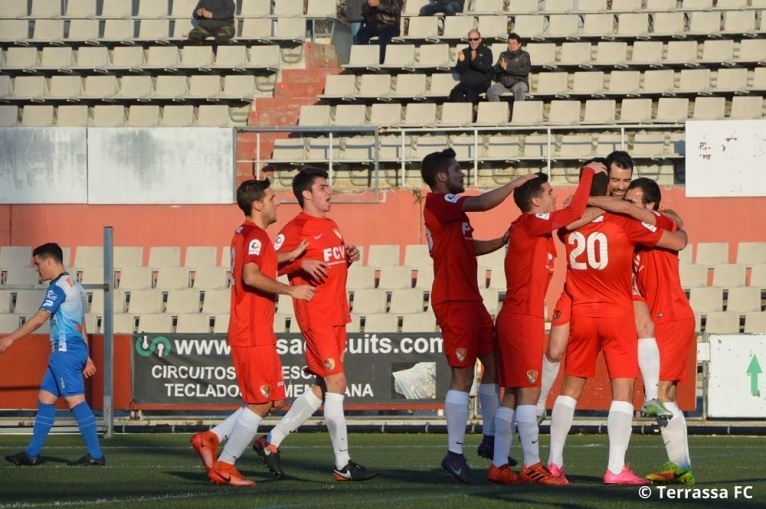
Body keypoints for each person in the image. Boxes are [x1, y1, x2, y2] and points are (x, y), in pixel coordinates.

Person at [546, 171, 688, 486]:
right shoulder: (624, 224)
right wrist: (679, 226)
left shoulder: (568, 230)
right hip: (616, 313)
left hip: (581, 313)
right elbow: (674, 238)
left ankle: (554, 465)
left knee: (569, 390)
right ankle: (615, 468)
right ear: (610, 196)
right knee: (622, 392)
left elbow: (567, 221)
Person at [252, 167, 378, 482]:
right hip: (317, 316)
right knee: (337, 383)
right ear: (306, 194)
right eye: (323, 187)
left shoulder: (331, 225)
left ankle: (271, 442)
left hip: (337, 314)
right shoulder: (296, 227)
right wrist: (299, 262)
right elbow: (270, 262)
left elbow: (331, 263)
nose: (329, 192)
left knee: (322, 388)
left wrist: (348, 255)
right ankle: (343, 465)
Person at [420, 148, 536, 484]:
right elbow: (483, 203)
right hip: (453, 299)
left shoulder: (451, 212)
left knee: (493, 365)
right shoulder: (439, 203)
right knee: (462, 376)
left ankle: (488, 439)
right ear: (441, 176)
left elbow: (466, 247)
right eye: (456, 170)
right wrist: (516, 183)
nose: (461, 174)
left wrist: (500, 241)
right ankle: (454, 455)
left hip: (470, 297)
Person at [190, 178, 315, 487]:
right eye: (272, 198)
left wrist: (292, 255)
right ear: (257, 204)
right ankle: (225, 465)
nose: (278, 203)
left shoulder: (248, 234)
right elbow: (251, 274)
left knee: (274, 400)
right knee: (260, 402)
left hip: (258, 330)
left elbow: (262, 261)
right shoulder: (256, 235)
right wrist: (291, 291)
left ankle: (211, 437)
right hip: (252, 330)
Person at [536, 151, 671, 423]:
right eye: (615, 180)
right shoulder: (589, 207)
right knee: (554, 349)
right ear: (605, 180)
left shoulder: (628, 208)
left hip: (619, 288)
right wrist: (606, 205)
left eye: (626, 180)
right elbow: (569, 221)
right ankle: (539, 403)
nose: (621, 186)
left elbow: (666, 218)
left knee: (645, 326)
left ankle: (651, 397)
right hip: (578, 291)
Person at [489, 164, 603, 486]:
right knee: (529, 391)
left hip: (516, 315)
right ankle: (531, 466)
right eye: (550, 193)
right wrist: (589, 175)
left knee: (512, 393)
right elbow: (575, 210)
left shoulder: (526, 227)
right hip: (522, 318)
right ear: (536, 202)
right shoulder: (529, 223)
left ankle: (499, 465)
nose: (555, 197)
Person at [2, 243, 105, 467]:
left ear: (49, 261)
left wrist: (11, 338)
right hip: (71, 350)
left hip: (64, 352)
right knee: (45, 398)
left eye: (38, 264)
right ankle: (31, 454)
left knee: (76, 401)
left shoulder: (58, 287)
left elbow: (40, 318)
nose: (37, 269)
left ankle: (96, 455)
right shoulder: (76, 286)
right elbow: (81, 324)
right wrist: (86, 356)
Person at [624, 179, 696, 485]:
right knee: (665, 394)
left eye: (635, 202)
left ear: (651, 206)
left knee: (663, 392)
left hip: (673, 317)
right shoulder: (635, 237)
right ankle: (680, 465)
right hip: (660, 320)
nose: (629, 208)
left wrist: (672, 218)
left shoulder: (660, 234)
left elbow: (676, 222)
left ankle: (681, 466)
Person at [449, 30, 493, 104]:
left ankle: (469, 110)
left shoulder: (486, 51)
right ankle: (466, 109)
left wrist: (474, 60)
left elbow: (486, 68)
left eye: (475, 39)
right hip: (466, 83)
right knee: (454, 94)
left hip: (481, 83)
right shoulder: (465, 52)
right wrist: (462, 61)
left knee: (470, 96)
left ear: (480, 39)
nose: (473, 41)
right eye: (470, 39)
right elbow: (460, 70)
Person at [487, 33, 530, 103]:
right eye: (510, 43)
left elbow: (525, 71)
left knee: (520, 90)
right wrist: (500, 67)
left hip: (519, 82)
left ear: (519, 44)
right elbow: (496, 69)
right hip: (504, 83)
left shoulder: (524, 55)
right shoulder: (503, 54)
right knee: (491, 91)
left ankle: (518, 112)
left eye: (514, 43)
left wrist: (507, 68)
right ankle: (499, 112)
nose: (512, 45)